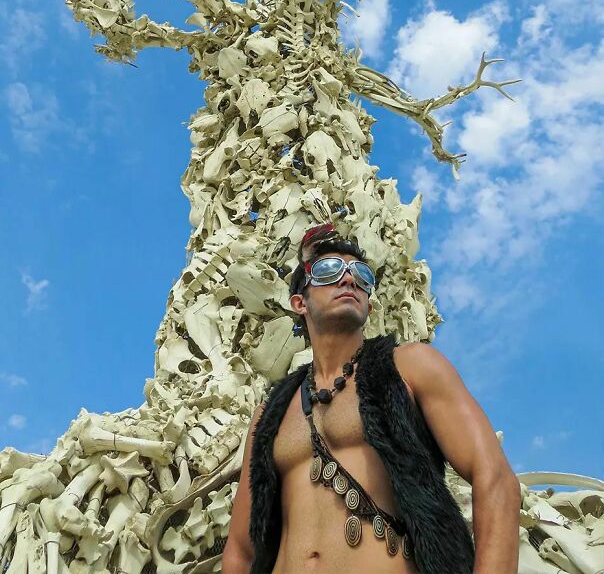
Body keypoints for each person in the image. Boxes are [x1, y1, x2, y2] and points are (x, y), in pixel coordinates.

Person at [222, 223, 521, 574]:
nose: (349, 280)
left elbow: (495, 477)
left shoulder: (411, 366)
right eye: (329, 271)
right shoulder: (268, 416)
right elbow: (241, 550)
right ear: (299, 302)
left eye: (362, 275)